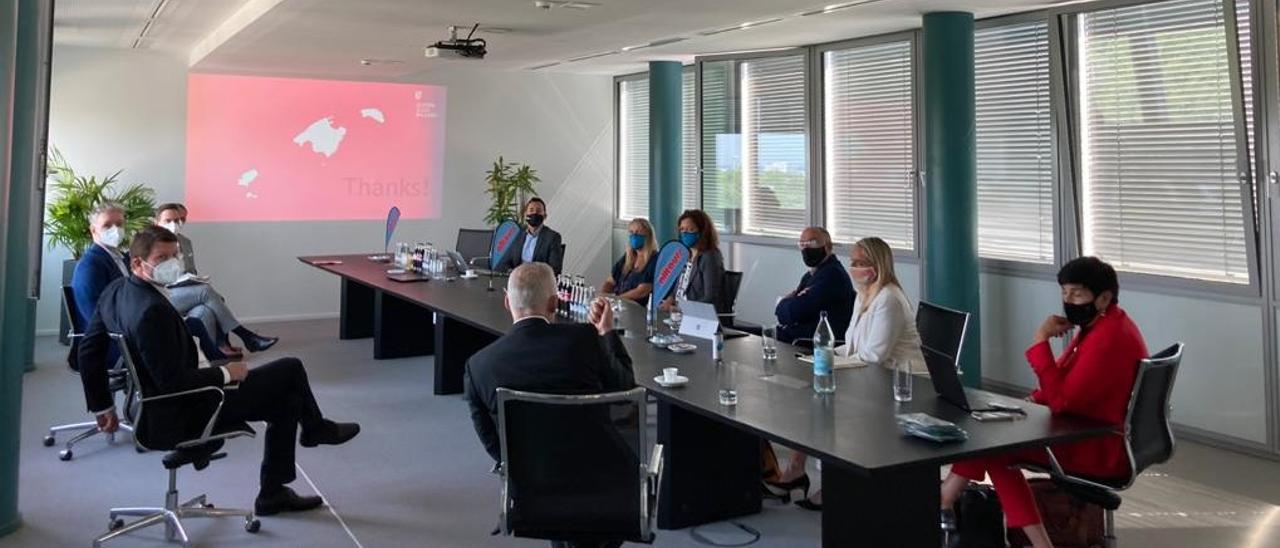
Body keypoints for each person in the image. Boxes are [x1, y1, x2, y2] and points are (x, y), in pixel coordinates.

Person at [78, 225, 361, 516]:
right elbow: (172, 383)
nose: (172, 264)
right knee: (290, 368)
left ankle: (274, 493)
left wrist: (102, 405)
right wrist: (227, 374)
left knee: (287, 401)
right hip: (184, 408)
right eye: (162, 258)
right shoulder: (151, 310)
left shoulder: (116, 291)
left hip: (145, 408)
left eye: (174, 255)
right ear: (138, 263)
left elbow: (88, 351)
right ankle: (313, 431)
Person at [939, 257, 1147, 548]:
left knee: (998, 449)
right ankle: (948, 498)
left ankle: (951, 500)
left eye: (1076, 293)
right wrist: (1029, 401)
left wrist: (1040, 341)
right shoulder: (1105, 324)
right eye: (1064, 293)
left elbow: (1062, 400)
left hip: (1097, 444)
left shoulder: (1106, 339)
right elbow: (1062, 380)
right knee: (992, 432)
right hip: (1091, 428)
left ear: (1104, 298)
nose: (1068, 301)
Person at [464, 263, 636, 548]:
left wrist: (523, 466)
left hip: (535, 485)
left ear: (508, 302)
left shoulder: (479, 365)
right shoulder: (584, 340)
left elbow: (492, 441)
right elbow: (626, 389)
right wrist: (607, 333)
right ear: (555, 302)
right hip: (602, 482)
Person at [768, 236, 924, 511]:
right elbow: (850, 344)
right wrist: (820, 355)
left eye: (858, 263)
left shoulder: (888, 299)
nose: (852, 267)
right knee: (812, 396)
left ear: (875, 266)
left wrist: (832, 362)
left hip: (899, 382)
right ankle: (796, 469)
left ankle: (835, 485)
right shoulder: (864, 295)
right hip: (871, 376)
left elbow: (874, 356)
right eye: (851, 261)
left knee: (825, 404)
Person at [152, 202, 279, 357]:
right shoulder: (150, 245)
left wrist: (195, 279)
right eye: (168, 221)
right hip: (162, 295)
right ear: (156, 222)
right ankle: (245, 336)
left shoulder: (185, 242)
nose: (174, 224)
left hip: (184, 293)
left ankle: (210, 353)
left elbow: (191, 270)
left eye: (178, 220)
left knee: (205, 310)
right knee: (206, 292)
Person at [773, 227, 855, 344]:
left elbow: (793, 313)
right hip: (791, 335)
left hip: (808, 343)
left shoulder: (832, 275)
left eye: (812, 243)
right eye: (802, 244)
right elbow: (791, 312)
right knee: (741, 332)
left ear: (828, 247)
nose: (806, 248)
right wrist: (790, 304)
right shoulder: (811, 275)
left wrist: (782, 303)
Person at [661, 209, 726, 313]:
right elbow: (678, 289)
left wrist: (682, 310)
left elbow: (710, 298)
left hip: (697, 316)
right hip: (676, 314)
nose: (685, 233)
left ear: (702, 231)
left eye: (690, 229)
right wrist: (669, 300)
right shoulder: (685, 256)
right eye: (682, 229)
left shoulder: (710, 257)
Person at [495, 197, 565, 275]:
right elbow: (503, 263)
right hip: (516, 280)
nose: (534, 213)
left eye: (539, 211)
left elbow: (555, 269)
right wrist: (514, 274)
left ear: (545, 216)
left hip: (538, 283)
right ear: (525, 215)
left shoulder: (552, 237)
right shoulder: (517, 234)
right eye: (531, 210)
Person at [600, 218, 657, 307]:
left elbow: (642, 291)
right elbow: (610, 281)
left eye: (638, 232)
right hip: (618, 305)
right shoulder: (628, 257)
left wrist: (617, 299)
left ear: (648, 236)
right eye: (631, 232)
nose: (634, 235)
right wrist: (603, 296)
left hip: (637, 309)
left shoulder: (654, 259)